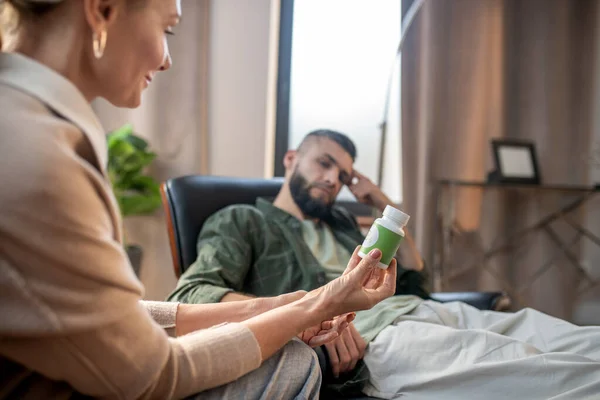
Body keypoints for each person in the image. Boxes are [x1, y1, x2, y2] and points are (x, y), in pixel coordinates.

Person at [0, 1, 398, 399]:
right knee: (292, 358)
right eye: (166, 30)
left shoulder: (28, 123)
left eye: (341, 175)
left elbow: (120, 317)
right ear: (102, 9)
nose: (167, 59)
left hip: (402, 320)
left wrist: (279, 307)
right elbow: (154, 372)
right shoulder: (38, 158)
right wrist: (313, 308)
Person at [169, 129, 600, 399]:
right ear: (290, 159)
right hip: (382, 336)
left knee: (576, 341)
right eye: (324, 163)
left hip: (427, 312)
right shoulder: (244, 219)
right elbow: (191, 295)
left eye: (342, 174)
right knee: (552, 375)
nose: (332, 179)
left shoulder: (341, 223)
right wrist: (306, 315)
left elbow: (415, 280)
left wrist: (383, 205)